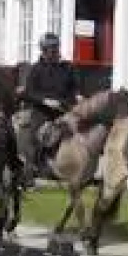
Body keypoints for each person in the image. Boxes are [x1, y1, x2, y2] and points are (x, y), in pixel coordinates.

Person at [15, 32, 79, 185]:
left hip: (63, 110)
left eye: (55, 48)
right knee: (35, 136)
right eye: (50, 49)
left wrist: (77, 97)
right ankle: (29, 172)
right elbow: (28, 93)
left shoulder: (67, 67)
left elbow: (74, 89)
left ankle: (75, 169)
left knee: (77, 133)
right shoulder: (36, 69)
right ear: (43, 51)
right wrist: (45, 101)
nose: (54, 52)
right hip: (42, 111)